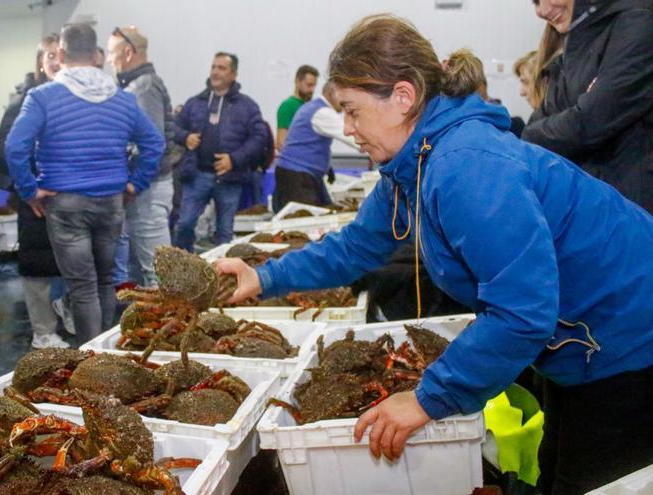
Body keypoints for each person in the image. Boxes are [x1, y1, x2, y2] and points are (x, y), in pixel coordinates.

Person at [217, 15, 653, 494]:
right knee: (554, 471)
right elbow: (354, 246)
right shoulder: (412, 164)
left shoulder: (465, 166)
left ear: (403, 96)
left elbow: (523, 312)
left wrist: (427, 398)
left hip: (629, 341)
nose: (347, 128)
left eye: (352, 110)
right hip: (576, 345)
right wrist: (261, 278)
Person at [6, 23, 164, 344]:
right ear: (95, 56)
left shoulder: (42, 97)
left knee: (82, 286)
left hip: (65, 203)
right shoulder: (122, 100)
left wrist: (29, 190)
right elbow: (155, 145)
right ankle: (107, 348)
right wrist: (135, 184)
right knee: (107, 280)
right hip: (111, 202)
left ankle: (92, 357)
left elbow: (15, 146)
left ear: (61, 54)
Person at [0, 33, 73, 349]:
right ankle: (43, 331)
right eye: (48, 55)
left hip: (71, 195)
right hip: (36, 197)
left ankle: (67, 309)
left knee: (76, 260)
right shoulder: (25, 101)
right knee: (38, 264)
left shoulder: (76, 97)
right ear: (39, 62)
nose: (55, 61)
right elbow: (9, 148)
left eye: (59, 54)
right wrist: (28, 189)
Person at [523, 0, 653, 214]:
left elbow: (589, 122)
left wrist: (532, 133)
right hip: (598, 201)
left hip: (633, 204)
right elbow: (544, 118)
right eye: (535, 2)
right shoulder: (583, 36)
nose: (542, 10)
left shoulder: (636, 21)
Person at [172, 52, 269, 251]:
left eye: (222, 68)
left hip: (229, 177)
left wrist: (234, 159)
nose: (215, 72)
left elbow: (260, 137)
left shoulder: (247, 106)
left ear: (234, 75)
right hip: (197, 173)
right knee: (184, 224)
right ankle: (182, 270)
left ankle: (222, 277)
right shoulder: (195, 102)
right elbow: (173, 126)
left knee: (224, 232)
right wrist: (185, 137)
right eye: (214, 67)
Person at [107, 26, 178, 287]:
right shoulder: (135, 87)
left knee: (158, 274)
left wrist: (135, 184)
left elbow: (152, 143)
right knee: (152, 272)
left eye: (112, 53)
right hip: (146, 188)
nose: (108, 60)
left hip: (148, 189)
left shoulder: (144, 87)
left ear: (128, 52)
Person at [272, 80, 360, 211]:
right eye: (343, 96)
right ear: (332, 94)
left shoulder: (311, 107)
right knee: (305, 222)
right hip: (299, 176)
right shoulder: (323, 112)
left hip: (296, 173)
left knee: (321, 212)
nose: (345, 103)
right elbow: (353, 138)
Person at [275, 65, 319, 150]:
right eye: (309, 85)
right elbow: (281, 142)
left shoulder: (310, 107)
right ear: (297, 81)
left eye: (314, 85)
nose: (312, 90)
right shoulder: (288, 106)